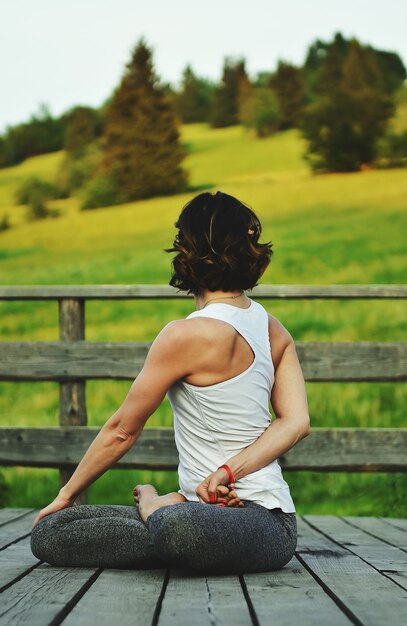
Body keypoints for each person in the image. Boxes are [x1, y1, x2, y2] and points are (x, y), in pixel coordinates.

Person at [31, 191, 310, 574]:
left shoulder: (183, 335)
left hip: (258, 521)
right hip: (224, 515)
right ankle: (168, 511)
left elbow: (121, 431)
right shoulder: (273, 329)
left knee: (177, 530)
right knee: (52, 531)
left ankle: (155, 505)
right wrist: (223, 477)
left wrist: (67, 494)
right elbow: (294, 423)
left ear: (188, 252)